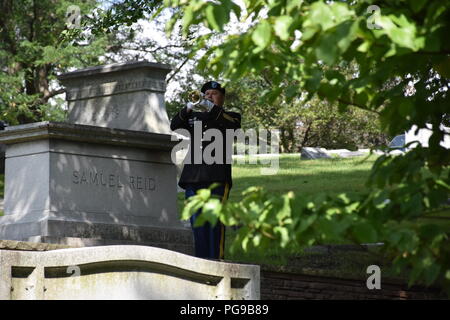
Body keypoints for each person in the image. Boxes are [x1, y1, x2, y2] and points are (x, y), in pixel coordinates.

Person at [170, 81, 241, 260]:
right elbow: (175, 124)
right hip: (193, 177)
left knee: (215, 223)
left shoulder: (231, 116)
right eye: (206, 93)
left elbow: (231, 125)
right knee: (198, 225)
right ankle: (202, 263)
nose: (209, 96)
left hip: (216, 176)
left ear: (222, 98)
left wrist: (210, 107)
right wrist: (187, 108)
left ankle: (216, 262)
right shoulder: (194, 117)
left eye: (214, 93)